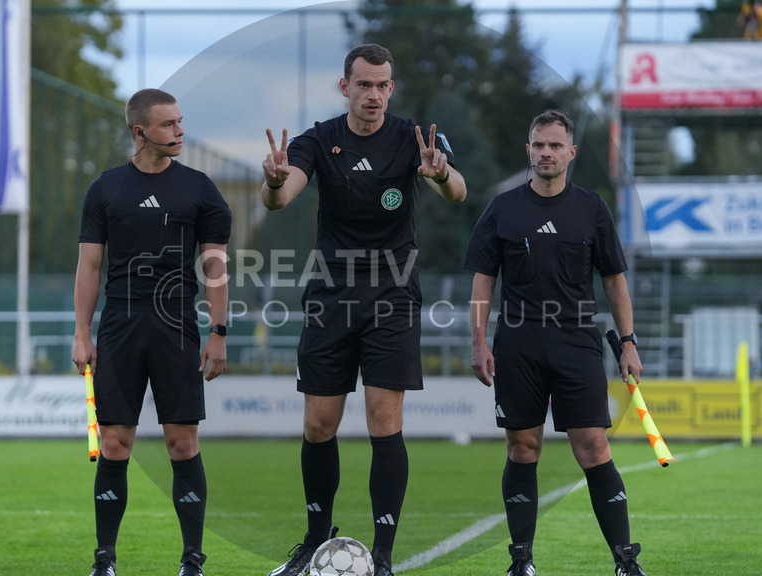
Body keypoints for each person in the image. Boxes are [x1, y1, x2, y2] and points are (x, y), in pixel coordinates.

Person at [260, 43, 467, 576]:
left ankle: (382, 555)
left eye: (382, 85)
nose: (374, 95)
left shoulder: (416, 139)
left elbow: (458, 193)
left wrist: (440, 173)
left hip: (393, 294)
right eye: (364, 85)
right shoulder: (319, 140)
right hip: (332, 293)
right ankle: (312, 542)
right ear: (345, 87)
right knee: (318, 424)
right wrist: (275, 181)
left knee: (384, 421)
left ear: (390, 88)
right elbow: (281, 197)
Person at [465, 110, 647, 576]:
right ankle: (521, 561)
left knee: (594, 447)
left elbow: (614, 281)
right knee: (522, 449)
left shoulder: (592, 208)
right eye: (538, 145)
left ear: (571, 152)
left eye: (554, 145)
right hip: (518, 344)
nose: (546, 153)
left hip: (576, 343)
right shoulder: (502, 209)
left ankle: (625, 561)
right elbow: (484, 283)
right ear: (528, 151)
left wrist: (628, 343)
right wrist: (479, 341)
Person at [73, 88, 231, 576]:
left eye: (180, 122)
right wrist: (82, 332)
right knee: (116, 442)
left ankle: (192, 561)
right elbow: (89, 266)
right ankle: (105, 560)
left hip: (176, 326)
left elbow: (216, 266)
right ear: (140, 132)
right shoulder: (106, 188)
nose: (180, 132)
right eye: (169, 125)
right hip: (119, 325)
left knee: (182, 443)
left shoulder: (200, 189)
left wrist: (218, 331)